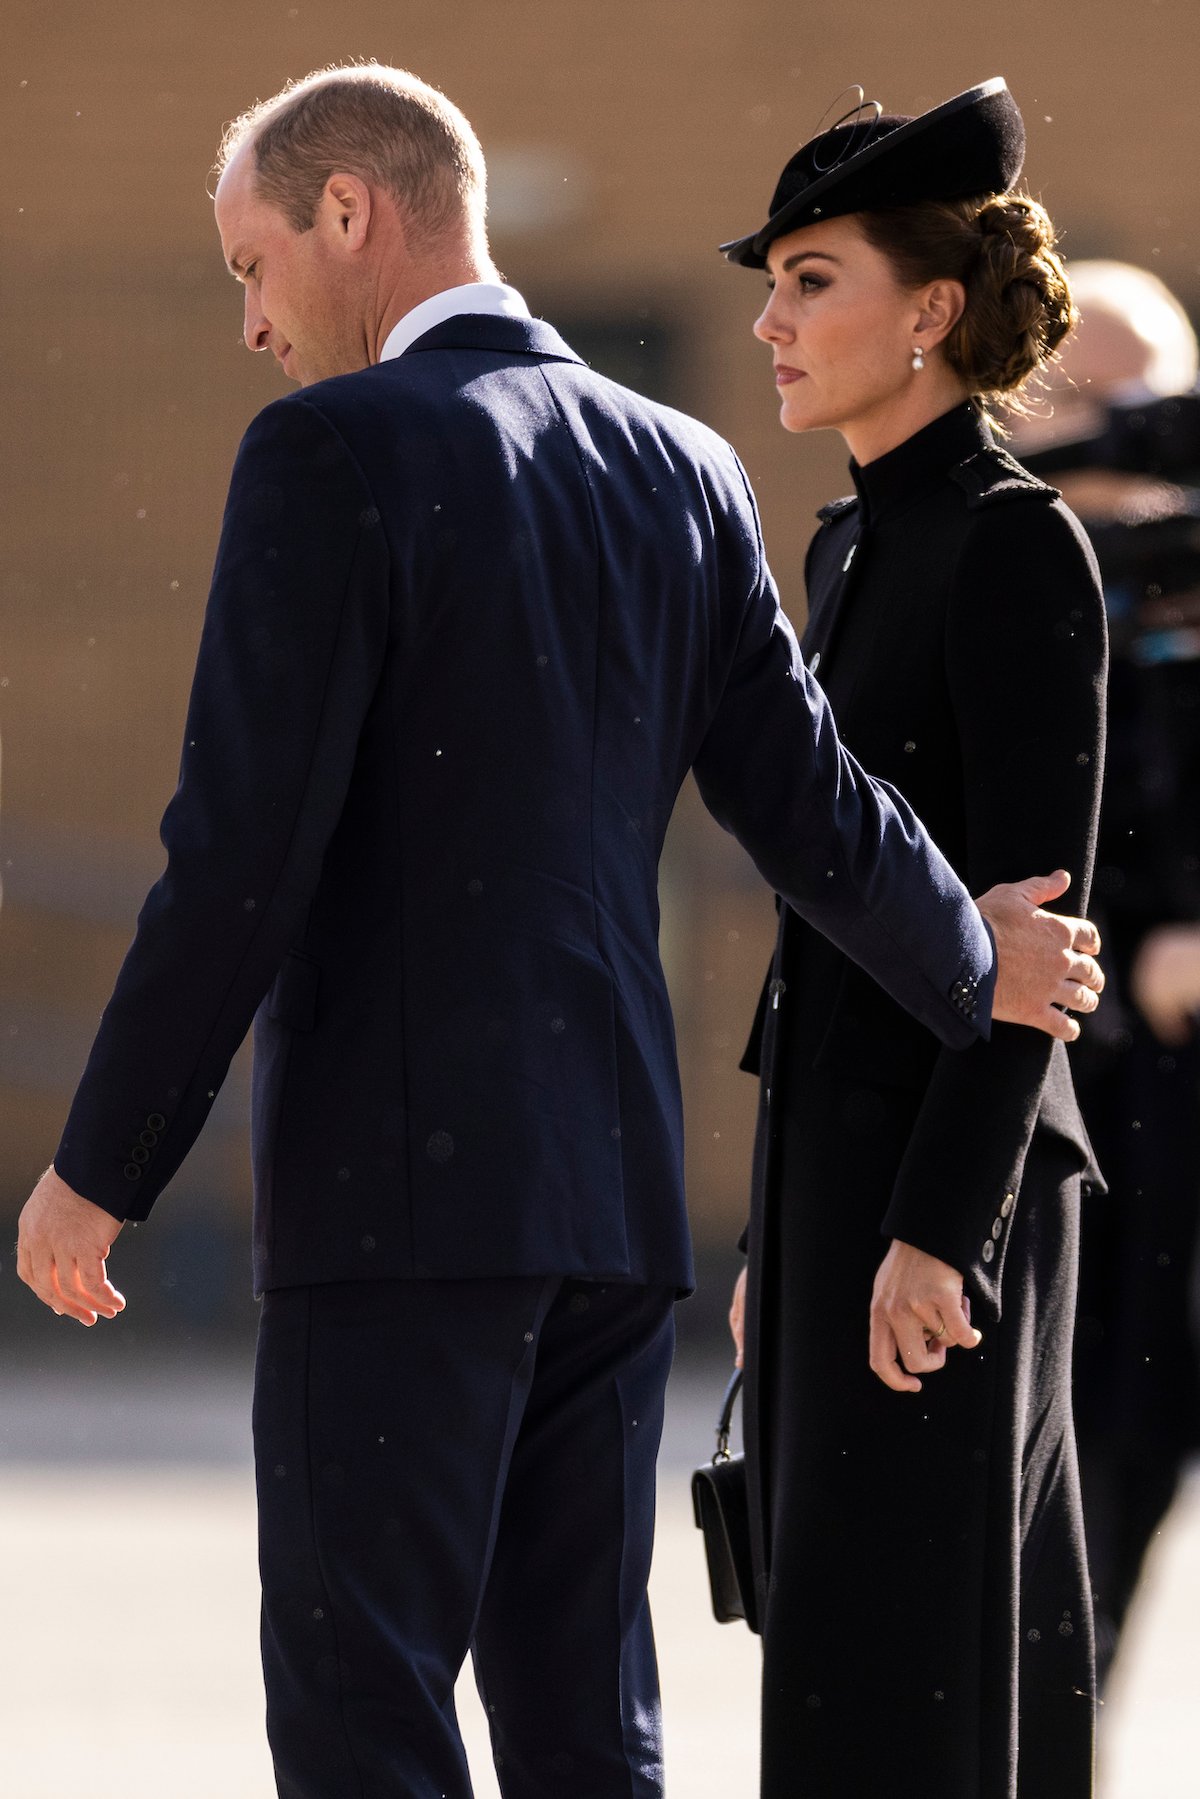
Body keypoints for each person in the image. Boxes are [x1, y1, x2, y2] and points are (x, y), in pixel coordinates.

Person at [16, 65, 1103, 1799]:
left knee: (367, 1712)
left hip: (398, 1214)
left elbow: (237, 858)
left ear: (351, 214)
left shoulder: (327, 450)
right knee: (591, 1732)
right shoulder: (675, 462)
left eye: (249, 266)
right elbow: (809, 800)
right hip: (612, 1211)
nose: (249, 324)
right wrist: (972, 955)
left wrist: (101, 1166)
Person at [723, 80, 1107, 1797]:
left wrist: (941, 1232)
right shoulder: (855, 536)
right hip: (836, 1174)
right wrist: (785, 1230)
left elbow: (1043, 943)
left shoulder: (1017, 547)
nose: (772, 321)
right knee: (833, 1667)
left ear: (929, 311)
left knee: (920, 1682)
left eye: (813, 280)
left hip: (951, 1182)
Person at [1016, 262, 1200, 1686]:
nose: (1131, 438)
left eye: (1159, 405)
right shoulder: (1015, 611)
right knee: (1065, 1583)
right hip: (1098, 1157)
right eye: (1093, 404)